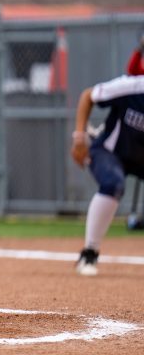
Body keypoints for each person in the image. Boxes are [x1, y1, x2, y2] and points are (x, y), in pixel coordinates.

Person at [69, 74, 144, 276]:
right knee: (113, 182)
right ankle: (89, 252)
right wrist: (79, 138)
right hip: (110, 152)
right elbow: (87, 96)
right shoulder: (131, 87)